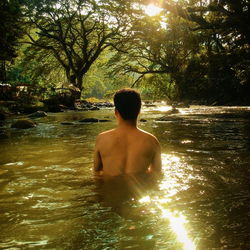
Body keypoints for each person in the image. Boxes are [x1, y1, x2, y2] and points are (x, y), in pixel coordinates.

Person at [93, 88, 162, 176]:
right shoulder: (152, 141)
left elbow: (97, 172)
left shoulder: (102, 139)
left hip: (110, 188)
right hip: (138, 188)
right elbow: (157, 175)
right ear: (139, 112)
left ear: (116, 112)